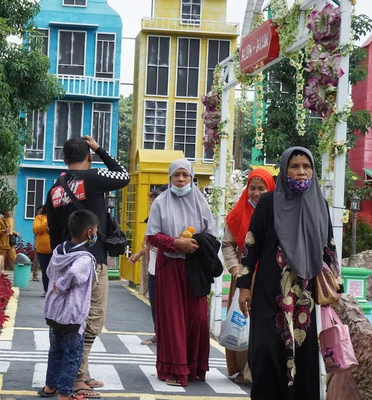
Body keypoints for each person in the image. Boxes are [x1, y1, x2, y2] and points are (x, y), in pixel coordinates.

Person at [236, 147, 340, 400]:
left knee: (303, 353)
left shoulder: (319, 204)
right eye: (295, 166)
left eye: (307, 166)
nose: (301, 171)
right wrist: (244, 287)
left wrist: (336, 285)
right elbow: (251, 245)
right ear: (284, 169)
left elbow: (329, 247)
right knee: (267, 350)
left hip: (304, 295)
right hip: (269, 292)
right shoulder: (269, 203)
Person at [46, 136, 129, 396]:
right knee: (91, 318)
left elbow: (52, 230)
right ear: (88, 157)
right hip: (91, 262)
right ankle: (78, 376)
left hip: (63, 261)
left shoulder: (55, 188)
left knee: (65, 321)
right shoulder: (93, 178)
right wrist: (100, 148)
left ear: (64, 159)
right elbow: (123, 175)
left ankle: (77, 373)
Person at [145, 159, 221, 387]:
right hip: (169, 267)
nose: (180, 179)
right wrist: (176, 243)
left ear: (191, 177)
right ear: (170, 178)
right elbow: (153, 236)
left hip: (194, 268)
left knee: (197, 319)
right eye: (176, 175)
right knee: (173, 319)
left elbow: (212, 234)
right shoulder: (160, 202)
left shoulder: (200, 201)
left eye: (185, 175)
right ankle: (175, 370)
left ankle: (194, 367)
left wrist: (194, 243)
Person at [221, 169, 276, 383]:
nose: (256, 193)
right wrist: (236, 269)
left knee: (265, 325)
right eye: (252, 188)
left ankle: (263, 370)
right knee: (242, 322)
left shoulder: (278, 212)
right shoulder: (238, 214)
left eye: (261, 189)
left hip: (270, 278)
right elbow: (227, 244)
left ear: (270, 188)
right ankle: (246, 371)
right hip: (244, 278)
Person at [38, 210, 99, 400]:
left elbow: (49, 271)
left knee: (55, 350)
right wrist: (62, 284)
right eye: (96, 230)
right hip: (72, 315)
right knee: (72, 354)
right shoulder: (84, 258)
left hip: (54, 311)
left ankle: (50, 387)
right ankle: (65, 394)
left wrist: (56, 284)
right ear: (90, 233)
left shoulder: (58, 250)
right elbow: (73, 273)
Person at [129, 185, 168, 345]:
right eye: (150, 203)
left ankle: (168, 335)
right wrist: (139, 253)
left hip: (167, 269)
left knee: (166, 304)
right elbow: (151, 244)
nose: (151, 206)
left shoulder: (168, 220)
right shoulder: (152, 219)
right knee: (154, 302)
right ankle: (158, 334)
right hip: (153, 269)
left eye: (154, 203)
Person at [34, 204, 52, 297]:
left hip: (53, 249)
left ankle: (54, 290)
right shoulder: (39, 218)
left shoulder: (54, 216)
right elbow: (36, 230)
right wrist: (45, 222)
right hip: (42, 250)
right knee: (45, 271)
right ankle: (47, 290)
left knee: (54, 271)